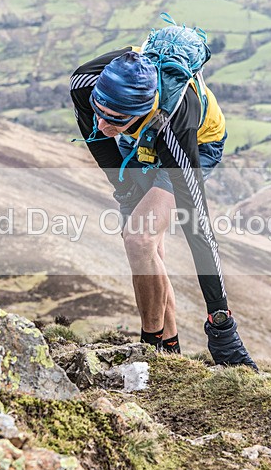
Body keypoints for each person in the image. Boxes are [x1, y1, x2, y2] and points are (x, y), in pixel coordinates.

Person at [69, 46, 257, 370]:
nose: (99, 124)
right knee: (146, 247)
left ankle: (150, 348)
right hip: (135, 138)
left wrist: (221, 321)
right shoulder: (87, 84)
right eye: (98, 111)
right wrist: (125, 188)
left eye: (112, 119)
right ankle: (168, 354)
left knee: (139, 238)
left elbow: (200, 231)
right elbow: (99, 138)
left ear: (141, 113)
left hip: (197, 142)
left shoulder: (175, 129)